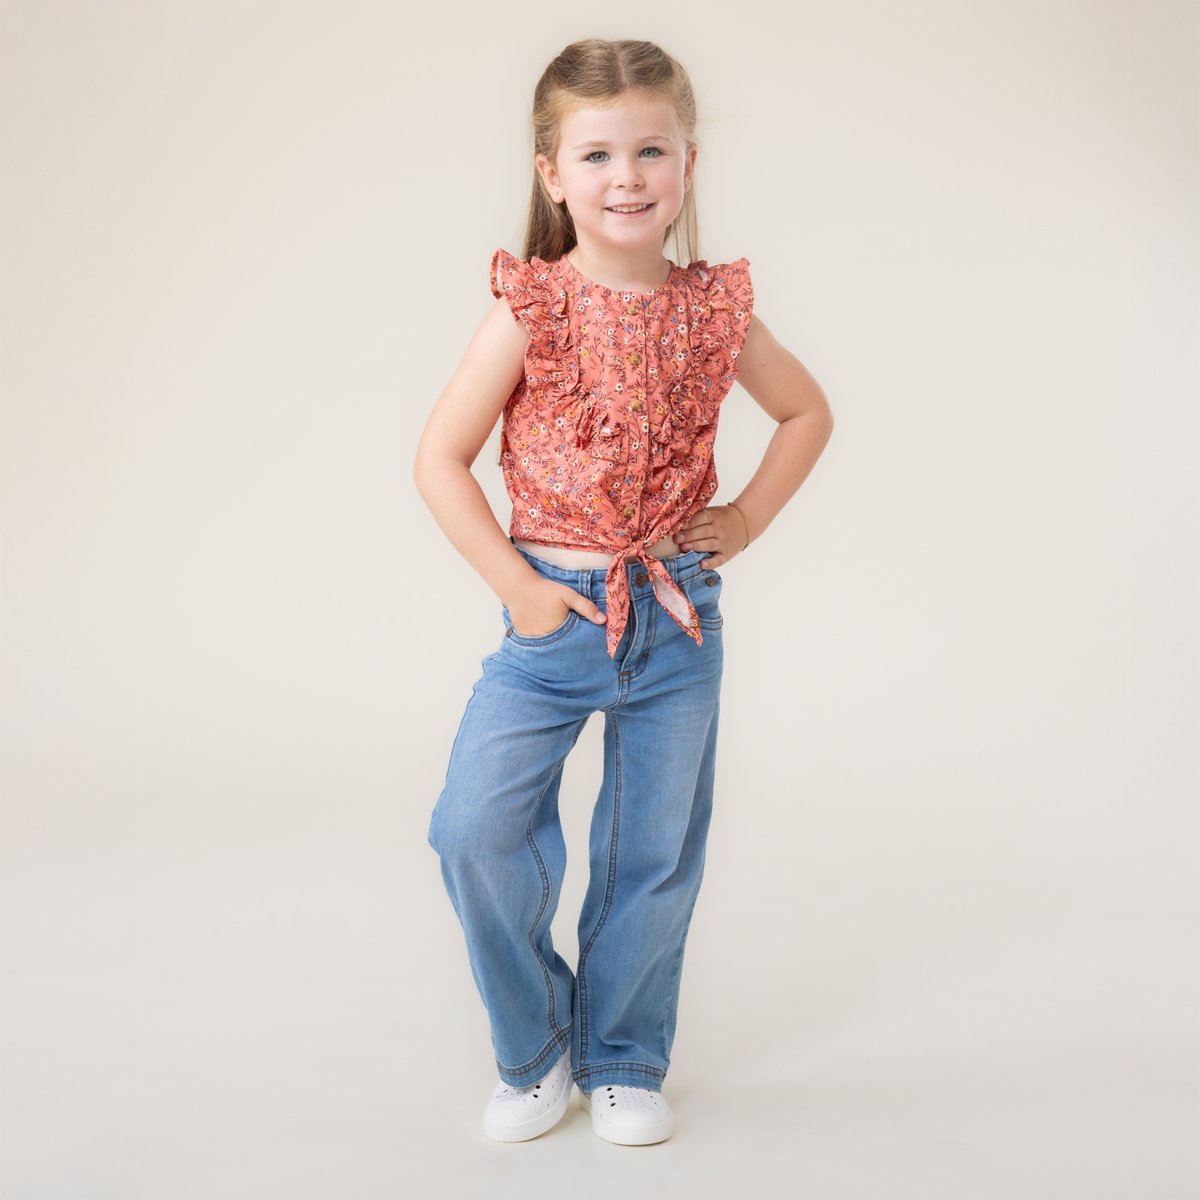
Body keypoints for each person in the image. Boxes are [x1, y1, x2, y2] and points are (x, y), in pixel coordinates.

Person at [413, 37, 834, 1146]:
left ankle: (626, 1055)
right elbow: (439, 460)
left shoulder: (713, 310)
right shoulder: (533, 308)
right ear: (552, 174)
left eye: (651, 150)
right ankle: (536, 1044)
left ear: (688, 163)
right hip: (555, 616)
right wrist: (521, 588)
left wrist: (744, 518)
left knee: (652, 853)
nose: (627, 177)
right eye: (597, 154)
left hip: (675, 621)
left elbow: (807, 412)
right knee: (472, 828)